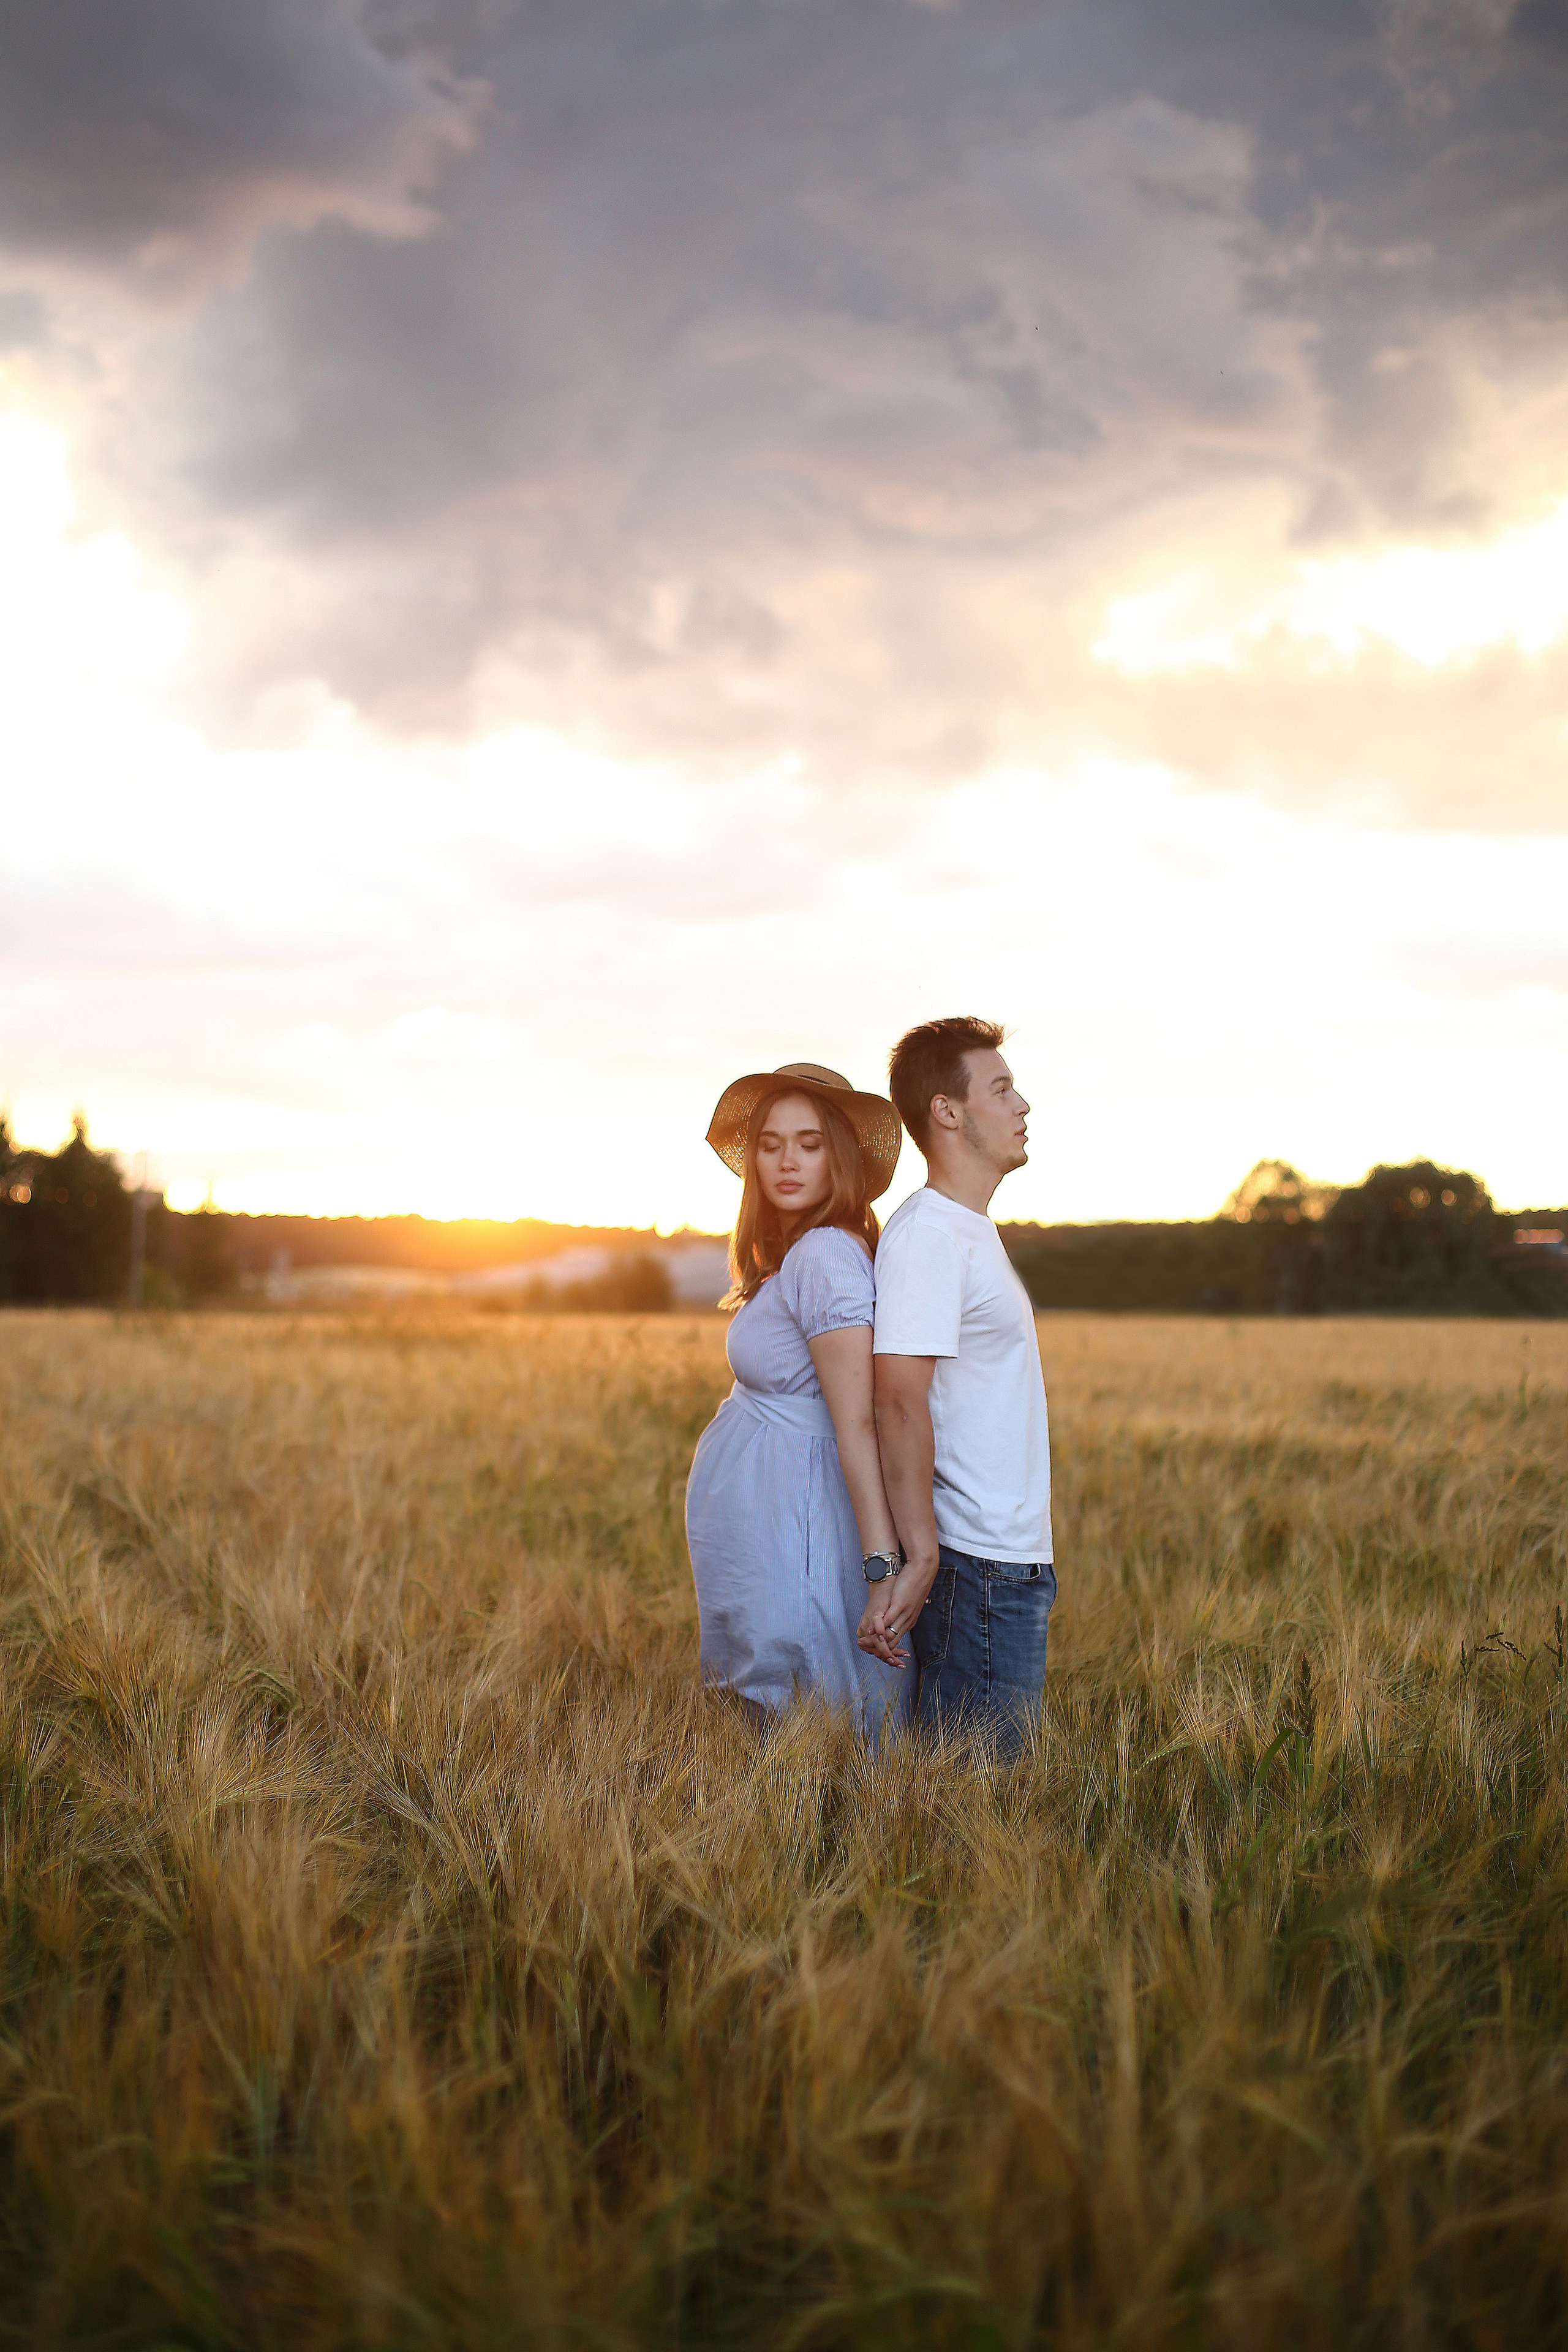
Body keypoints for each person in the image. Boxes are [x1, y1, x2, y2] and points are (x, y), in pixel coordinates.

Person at [685, 1061, 910, 1740]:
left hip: (805, 1526)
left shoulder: (822, 1255)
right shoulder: (795, 1257)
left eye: (810, 1144)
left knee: (814, 1704)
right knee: (792, 1713)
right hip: (780, 1524)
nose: (787, 1161)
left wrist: (882, 1571)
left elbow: (858, 1423)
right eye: (770, 1144)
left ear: (839, 1157)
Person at [858, 1017, 1054, 1754]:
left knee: (984, 1802)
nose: (1022, 1105)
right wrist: (924, 1554)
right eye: (1001, 1089)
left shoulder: (966, 1229)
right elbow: (897, 1400)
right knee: (973, 1812)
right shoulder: (929, 1236)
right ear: (947, 1111)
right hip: (976, 1568)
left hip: (1004, 1561)